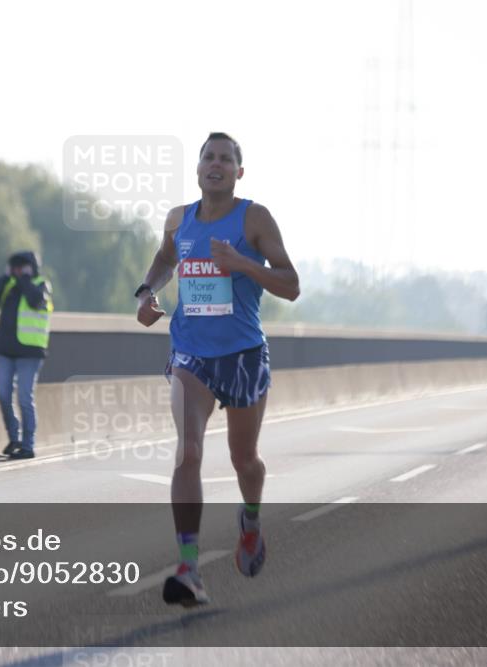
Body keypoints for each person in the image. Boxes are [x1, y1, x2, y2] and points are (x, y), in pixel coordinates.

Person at [134, 133, 300, 606]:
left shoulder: (254, 218)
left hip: (244, 355)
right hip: (191, 354)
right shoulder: (178, 219)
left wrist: (244, 263)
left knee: (244, 460)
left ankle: (250, 519)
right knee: (187, 452)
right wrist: (147, 294)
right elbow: (166, 259)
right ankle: (189, 569)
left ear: (238, 172)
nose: (216, 164)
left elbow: (291, 285)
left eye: (226, 159)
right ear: (198, 167)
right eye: (209, 156)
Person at [0, 251, 53, 460]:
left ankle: (28, 445)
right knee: (4, 395)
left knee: (24, 397)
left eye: (23, 266)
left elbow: (34, 301)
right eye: (15, 267)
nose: (18, 270)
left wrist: (25, 279)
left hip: (29, 352)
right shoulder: (9, 285)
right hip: (5, 350)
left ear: (31, 267)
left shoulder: (41, 285)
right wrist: (4, 278)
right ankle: (15, 438)